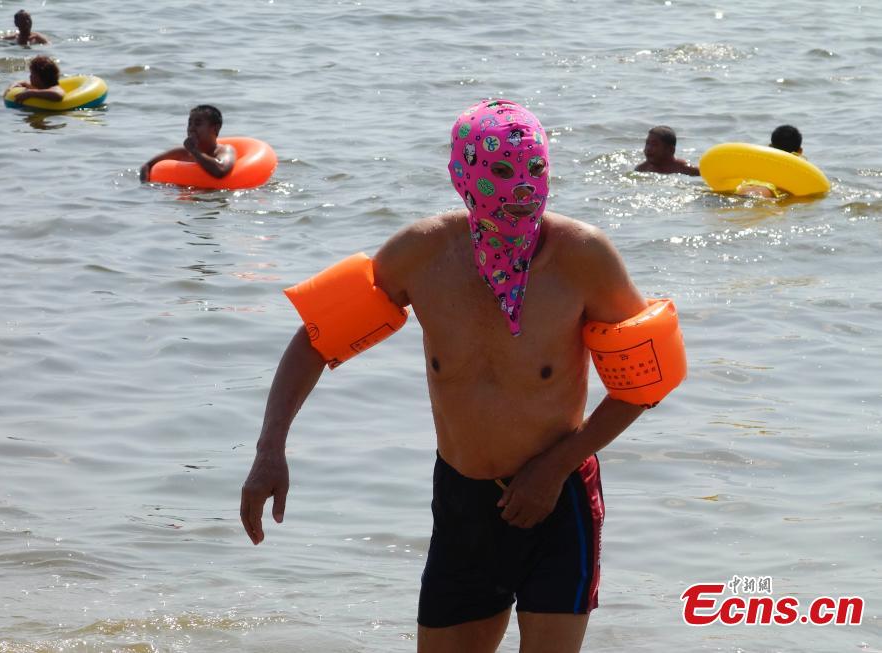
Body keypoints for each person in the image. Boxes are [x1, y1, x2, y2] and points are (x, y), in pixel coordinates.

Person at [240, 99, 686, 653]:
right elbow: (315, 341)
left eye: (535, 171)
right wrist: (269, 451)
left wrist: (552, 471)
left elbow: (644, 382)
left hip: (558, 495)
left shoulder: (584, 258)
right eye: (502, 172)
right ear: (464, 174)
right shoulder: (422, 254)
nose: (522, 190)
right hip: (463, 502)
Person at [140, 105, 236, 182]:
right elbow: (147, 166)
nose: (191, 128)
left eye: (198, 124)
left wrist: (194, 151)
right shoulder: (183, 153)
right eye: (190, 124)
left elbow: (220, 170)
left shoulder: (224, 150)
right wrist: (146, 189)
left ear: (215, 128)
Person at [736, 124, 803, 198]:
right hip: (765, 195)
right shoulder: (798, 168)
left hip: (742, 191)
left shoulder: (759, 161)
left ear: (770, 147)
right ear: (800, 151)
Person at [635, 125, 699, 176]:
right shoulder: (642, 169)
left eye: (654, 145)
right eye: (647, 143)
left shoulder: (684, 168)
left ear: (670, 150)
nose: (648, 148)